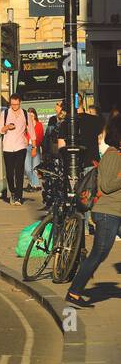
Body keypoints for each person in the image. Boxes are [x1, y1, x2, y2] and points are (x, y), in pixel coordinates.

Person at [65, 119, 121, 308]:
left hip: (115, 212)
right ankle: (74, 291)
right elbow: (106, 185)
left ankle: (75, 290)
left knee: (99, 253)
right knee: (98, 254)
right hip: (108, 213)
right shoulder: (113, 155)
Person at [0, 94, 30, 205]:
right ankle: (12, 191)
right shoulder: (5, 113)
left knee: (19, 172)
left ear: (20, 102)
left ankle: (18, 197)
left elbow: (30, 129)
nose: (14, 106)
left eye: (16, 104)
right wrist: (7, 127)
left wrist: (34, 145)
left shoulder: (25, 114)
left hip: (21, 146)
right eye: (12, 104)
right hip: (8, 147)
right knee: (10, 173)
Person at [25, 107, 44, 193]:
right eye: (29, 116)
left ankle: (35, 185)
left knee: (35, 167)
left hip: (35, 147)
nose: (31, 118)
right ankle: (34, 184)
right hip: (27, 146)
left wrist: (35, 146)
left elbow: (40, 137)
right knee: (28, 168)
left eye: (32, 116)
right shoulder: (25, 125)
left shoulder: (39, 124)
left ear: (35, 115)